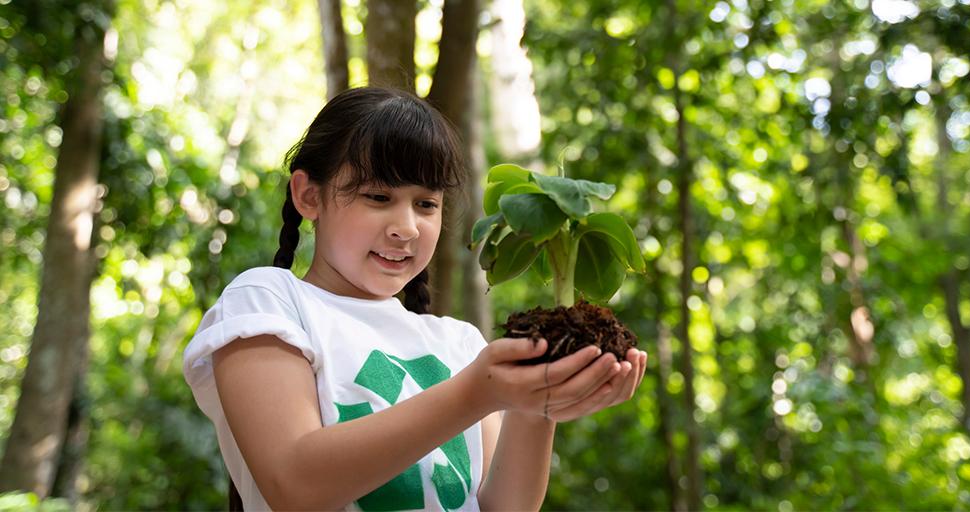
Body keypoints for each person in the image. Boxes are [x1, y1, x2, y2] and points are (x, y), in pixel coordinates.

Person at [182, 86, 647, 511]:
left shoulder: (460, 343)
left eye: (426, 204)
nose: (406, 227)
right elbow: (294, 484)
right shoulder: (268, 302)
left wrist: (537, 407)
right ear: (308, 195)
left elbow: (504, 507)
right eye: (378, 196)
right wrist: (478, 392)